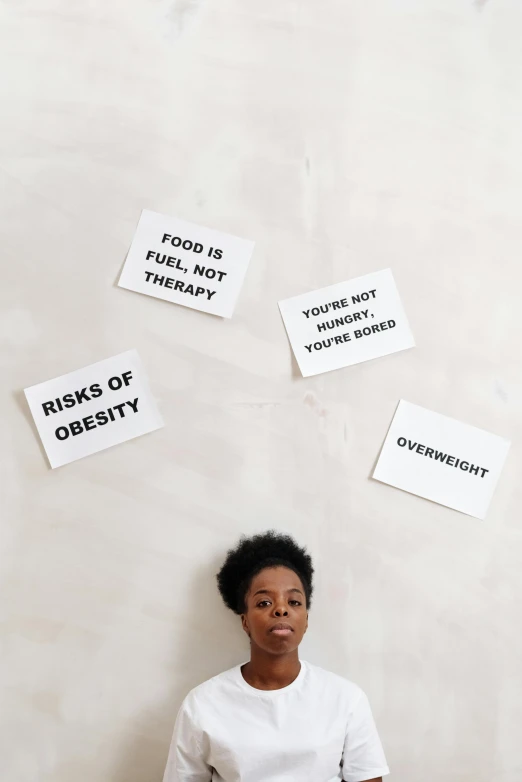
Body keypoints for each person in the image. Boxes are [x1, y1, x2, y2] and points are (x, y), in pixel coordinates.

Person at [163, 531, 389, 782]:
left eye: (294, 602)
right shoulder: (203, 704)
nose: (281, 609)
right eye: (263, 603)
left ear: (306, 620)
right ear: (245, 621)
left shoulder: (346, 699)